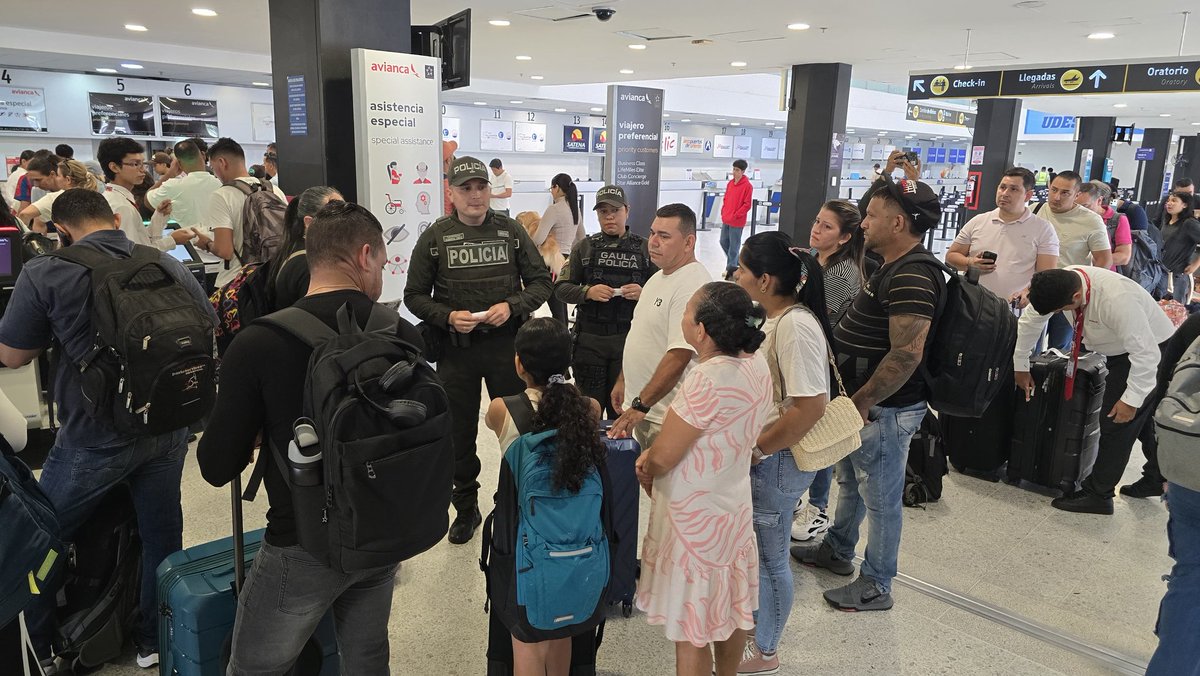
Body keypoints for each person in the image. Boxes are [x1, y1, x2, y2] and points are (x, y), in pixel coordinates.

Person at [197, 200, 420, 674]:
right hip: (381, 531)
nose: (381, 272)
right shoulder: (399, 333)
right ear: (364, 256)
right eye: (382, 261)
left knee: (255, 667)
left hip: (302, 540)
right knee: (366, 658)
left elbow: (216, 467)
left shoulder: (258, 343)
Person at [0, 188, 216, 671]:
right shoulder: (163, 262)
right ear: (115, 218)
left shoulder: (46, 270)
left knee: (39, 538)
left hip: (91, 437)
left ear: (59, 230)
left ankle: (38, 646)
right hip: (165, 425)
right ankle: (153, 638)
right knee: (162, 532)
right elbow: (209, 322)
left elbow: (13, 355)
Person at [792, 178, 945, 612]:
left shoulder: (914, 275)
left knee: (880, 497)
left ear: (898, 223)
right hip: (862, 403)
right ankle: (838, 550)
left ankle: (877, 583)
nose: (864, 225)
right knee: (851, 483)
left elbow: (907, 354)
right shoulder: (891, 265)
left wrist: (861, 403)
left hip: (884, 409)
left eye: (873, 217)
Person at [404, 156, 552, 545]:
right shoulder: (436, 237)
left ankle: (520, 501)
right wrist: (448, 315)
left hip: (509, 350)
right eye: (465, 188)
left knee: (520, 427)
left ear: (490, 189)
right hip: (458, 353)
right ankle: (466, 507)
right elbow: (414, 296)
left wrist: (514, 306)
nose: (475, 194)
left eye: (481, 186)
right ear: (450, 193)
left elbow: (541, 283)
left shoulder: (511, 230)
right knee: (458, 434)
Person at [634, 282, 772, 676]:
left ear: (701, 330)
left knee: (692, 624)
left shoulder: (707, 378)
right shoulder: (755, 364)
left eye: (687, 313)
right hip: (731, 503)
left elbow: (665, 453)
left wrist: (647, 461)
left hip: (694, 519)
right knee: (730, 605)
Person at [732, 234, 833, 675]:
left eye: (742, 269)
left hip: (777, 461)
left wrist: (759, 448)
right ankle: (756, 630)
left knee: (772, 559)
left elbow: (811, 405)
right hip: (764, 456)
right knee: (758, 553)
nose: (736, 276)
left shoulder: (795, 325)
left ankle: (767, 650)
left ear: (766, 279)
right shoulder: (772, 319)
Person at [482, 317, 606, 675]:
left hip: (524, 546)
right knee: (562, 628)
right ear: (568, 361)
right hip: (579, 542)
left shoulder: (501, 409)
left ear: (519, 363)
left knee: (528, 636)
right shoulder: (589, 409)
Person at [1012, 266, 1175, 514]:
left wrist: (1131, 400)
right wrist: (1021, 365)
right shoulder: (1054, 284)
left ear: (1076, 297)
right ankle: (1156, 477)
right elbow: (1031, 322)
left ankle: (1099, 494)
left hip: (1151, 350)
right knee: (1142, 421)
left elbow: (1146, 354)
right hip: (1117, 347)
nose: (1058, 314)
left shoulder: (1115, 299)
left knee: (1116, 420)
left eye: (1060, 310)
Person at [792, 199, 868, 545]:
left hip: (823, 363)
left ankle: (818, 508)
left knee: (818, 436)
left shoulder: (842, 272)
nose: (816, 229)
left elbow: (811, 313)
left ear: (844, 237)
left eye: (826, 226)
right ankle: (797, 495)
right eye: (817, 221)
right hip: (804, 357)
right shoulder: (813, 259)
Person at [608, 204, 712, 448]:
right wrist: (624, 380)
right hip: (645, 410)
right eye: (652, 233)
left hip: (665, 417)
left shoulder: (692, 284)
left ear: (688, 243)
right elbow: (641, 333)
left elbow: (679, 355)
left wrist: (641, 404)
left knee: (667, 485)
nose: (653, 242)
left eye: (664, 236)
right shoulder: (658, 276)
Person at [554, 185, 656, 417]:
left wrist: (644, 293)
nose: (609, 216)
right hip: (590, 341)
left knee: (623, 412)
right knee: (589, 412)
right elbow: (561, 288)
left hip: (630, 342)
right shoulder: (584, 247)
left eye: (615, 210)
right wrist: (587, 292)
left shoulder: (645, 248)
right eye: (603, 212)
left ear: (626, 211)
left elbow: (664, 291)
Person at [1145, 313, 1200, 674]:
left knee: (1191, 576)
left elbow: (1164, 383)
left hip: (1187, 465)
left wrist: (1161, 465)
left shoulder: (1196, 324)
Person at [946, 167, 1060, 307]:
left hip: (1013, 310)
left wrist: (1028, 292)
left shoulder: (1043, 228)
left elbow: (1046, 275)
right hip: (971, 306)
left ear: (1028, 195)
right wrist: (970, 262)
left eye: (1013, 189)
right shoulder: (978, 221)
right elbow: (951, 256)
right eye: (1002, 187)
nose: (1005, 193)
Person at [192, 137, 288, 288]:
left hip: (237, 282)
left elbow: (225, 251)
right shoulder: (274, 190)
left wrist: (207, 244)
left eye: (213, 166)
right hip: (273, 277)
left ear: (222, 163)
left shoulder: (222, 195)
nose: (214, 173)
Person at [1036, 170, 1112, 350]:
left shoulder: (1091, 221)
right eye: (1053, 190)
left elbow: (1104, 260)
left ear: (1076, 195)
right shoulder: (1035, 211)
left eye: (1065, 193)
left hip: (1068, 295)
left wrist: (1083, 291)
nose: (1056, 197)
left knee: (1060, 350)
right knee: (1029, 346)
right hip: (1038, 291)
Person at [268, 185, 343, 309]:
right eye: (335, 215)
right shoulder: (308, 264)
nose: (346, 221)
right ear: (309, 222)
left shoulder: (294, 252)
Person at [143, 139, 223, 232]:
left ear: (178, 163)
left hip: (186, 244)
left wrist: (170, 174)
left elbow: (147, 200)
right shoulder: (222, 184)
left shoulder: (172, 186)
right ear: (203, 155)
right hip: (219, 243)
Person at [536, 173, 585, 323]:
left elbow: (538, 239)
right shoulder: (574, 209)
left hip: (551, 261)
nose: (551, 191)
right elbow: (581, 238)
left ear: (556, 188)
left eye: (552, 187)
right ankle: (566, 339)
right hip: (566, 261)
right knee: (561, 305)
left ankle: (561, 340)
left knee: (556, 308)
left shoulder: (554, 209)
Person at [18, 159, 101, 229]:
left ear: (68, 180)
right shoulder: (97, 196)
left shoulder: (57, 198)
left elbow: (24, 214)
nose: (55, 178)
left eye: (58, 175)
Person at [1076, 180, 1132, 270]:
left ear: (1099, 200)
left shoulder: (1117, 220)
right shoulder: (1072, 216)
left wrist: (1094, 261)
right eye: (1075, 206)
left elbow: (1124, 256)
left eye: (1085, 206)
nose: (1080, 211)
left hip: (1103, 275)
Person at [1160, 191, 1200, 304]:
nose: (1169, 203)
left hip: (1178, 276)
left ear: (1185, 205)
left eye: (1174, 201)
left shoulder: (1189, 223)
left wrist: (1195, 264)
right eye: (1168, 201)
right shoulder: (1167, 221)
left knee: (1175, 313)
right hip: (1162, 273)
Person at [719, 159, 753, 279]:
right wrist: (724, 211)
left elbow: (747, 204)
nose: (734, 172)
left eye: (737, 170)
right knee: (723, 241)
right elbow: (726, 199)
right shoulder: (730, 184)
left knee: (734, 246)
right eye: (733, 169)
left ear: (743, 171)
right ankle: (737, 262)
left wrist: (737, 214)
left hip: (737, 221)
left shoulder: (747, 186)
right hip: (727, 219)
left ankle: (730, 270)